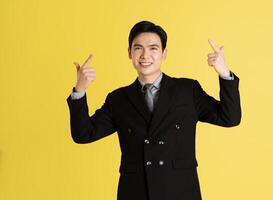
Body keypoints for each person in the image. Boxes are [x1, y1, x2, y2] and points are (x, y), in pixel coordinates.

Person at [66, 20, 241, 200]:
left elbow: (229, 117)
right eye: (138, 48)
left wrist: (224, 72)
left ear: (164, 53)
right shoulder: (118, 99)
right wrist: (79, 90)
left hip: (180, 191)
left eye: (153, 48)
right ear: (129, 53)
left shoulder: (188, 90)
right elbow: (83, 134)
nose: (145, 55)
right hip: (136, 192)